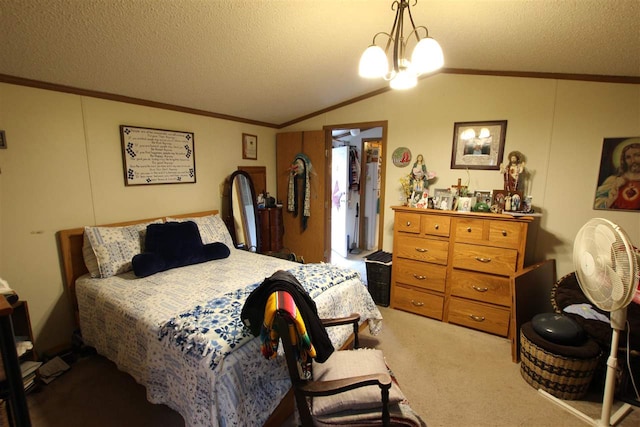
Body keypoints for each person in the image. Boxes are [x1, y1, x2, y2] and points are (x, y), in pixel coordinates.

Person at [595, 142, 640, 210]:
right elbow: (596, 204)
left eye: (637, 155)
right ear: (624, 160)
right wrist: (612, 195)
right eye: (628, 157)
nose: (633, 160)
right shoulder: (612, 180)